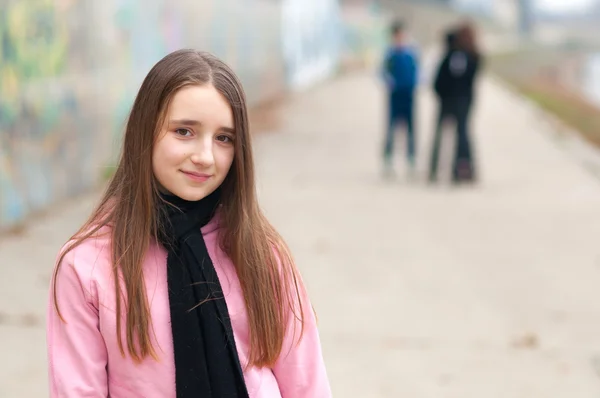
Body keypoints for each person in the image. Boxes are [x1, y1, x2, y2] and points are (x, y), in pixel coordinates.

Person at [47, 49, 331, 398]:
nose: (205, 156)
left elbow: (307, 385)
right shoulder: (87, 265)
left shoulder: (260, 252)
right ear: (144, 131)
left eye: (224, 138)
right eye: (184, 131)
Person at [428, 22, 482, 183]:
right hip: (464, 101)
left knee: (444, 135)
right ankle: (462, 169)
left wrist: (441, 93)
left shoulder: (454, 54)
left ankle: (437, 169)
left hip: (449, 101)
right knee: (463, 136)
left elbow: (440, 80)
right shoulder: (472, 55)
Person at [381, 20, 419, 177]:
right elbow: (382, 73)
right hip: (395, 95)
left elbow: (418, 71)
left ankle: (411, 160)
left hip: (409, 95)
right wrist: (390, 83)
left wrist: (415, 83)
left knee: (411, 129)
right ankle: (388, 161)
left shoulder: (411, 53)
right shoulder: (389, 54)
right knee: (391, 128)